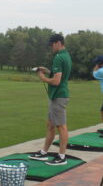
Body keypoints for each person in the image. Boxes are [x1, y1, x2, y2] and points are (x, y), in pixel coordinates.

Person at [29, 34, 72, 166]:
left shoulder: (59, 58)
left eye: (52, 44)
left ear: (58, 42)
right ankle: (43, 152)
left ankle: (61, 157)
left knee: (61, 126)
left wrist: (43, 78)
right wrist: (47, 71)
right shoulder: (66, 55)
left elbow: (56, 81)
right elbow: (58, 74)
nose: (51, 47)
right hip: (57, 95)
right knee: (50, 124)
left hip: (58, 96)